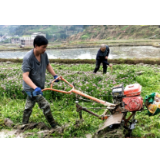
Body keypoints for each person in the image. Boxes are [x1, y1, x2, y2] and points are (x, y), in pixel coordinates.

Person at [22, 35, 59, 128]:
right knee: (45, 105)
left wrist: (54, 75)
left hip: (39, 86)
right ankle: (54, 125)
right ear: (36, 46)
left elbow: (48, 65)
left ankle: (24, 124)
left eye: (46, 47)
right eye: (43, 47)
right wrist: (35, 88)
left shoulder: (43, 54)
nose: (45, 49)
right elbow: (25, 76)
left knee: (29, 106)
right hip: (31, 88)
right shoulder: (28, 58)